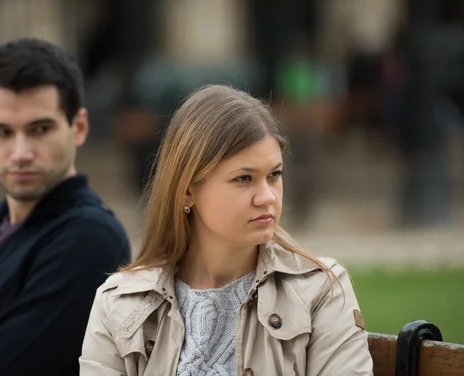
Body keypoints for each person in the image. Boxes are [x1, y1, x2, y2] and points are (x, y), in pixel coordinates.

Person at [79, 85, 373, 375]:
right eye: (244, 178)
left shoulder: (320, 291)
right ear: (186, 191)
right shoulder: (119, 303)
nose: (267, 197)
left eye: (274, 175)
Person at [0, 38, 131, 375]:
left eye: (40, 129)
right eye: (1, 132)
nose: (20, 153)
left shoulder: (90, 239)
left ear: (79, 127)